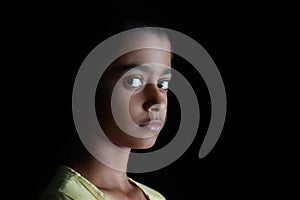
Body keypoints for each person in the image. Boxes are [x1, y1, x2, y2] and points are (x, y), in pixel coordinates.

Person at [39, 21, 172, 200]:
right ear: (81, 90)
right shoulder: (65, 197)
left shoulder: (155, 197)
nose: (158, 102)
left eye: (162, 84)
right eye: (134, 81)